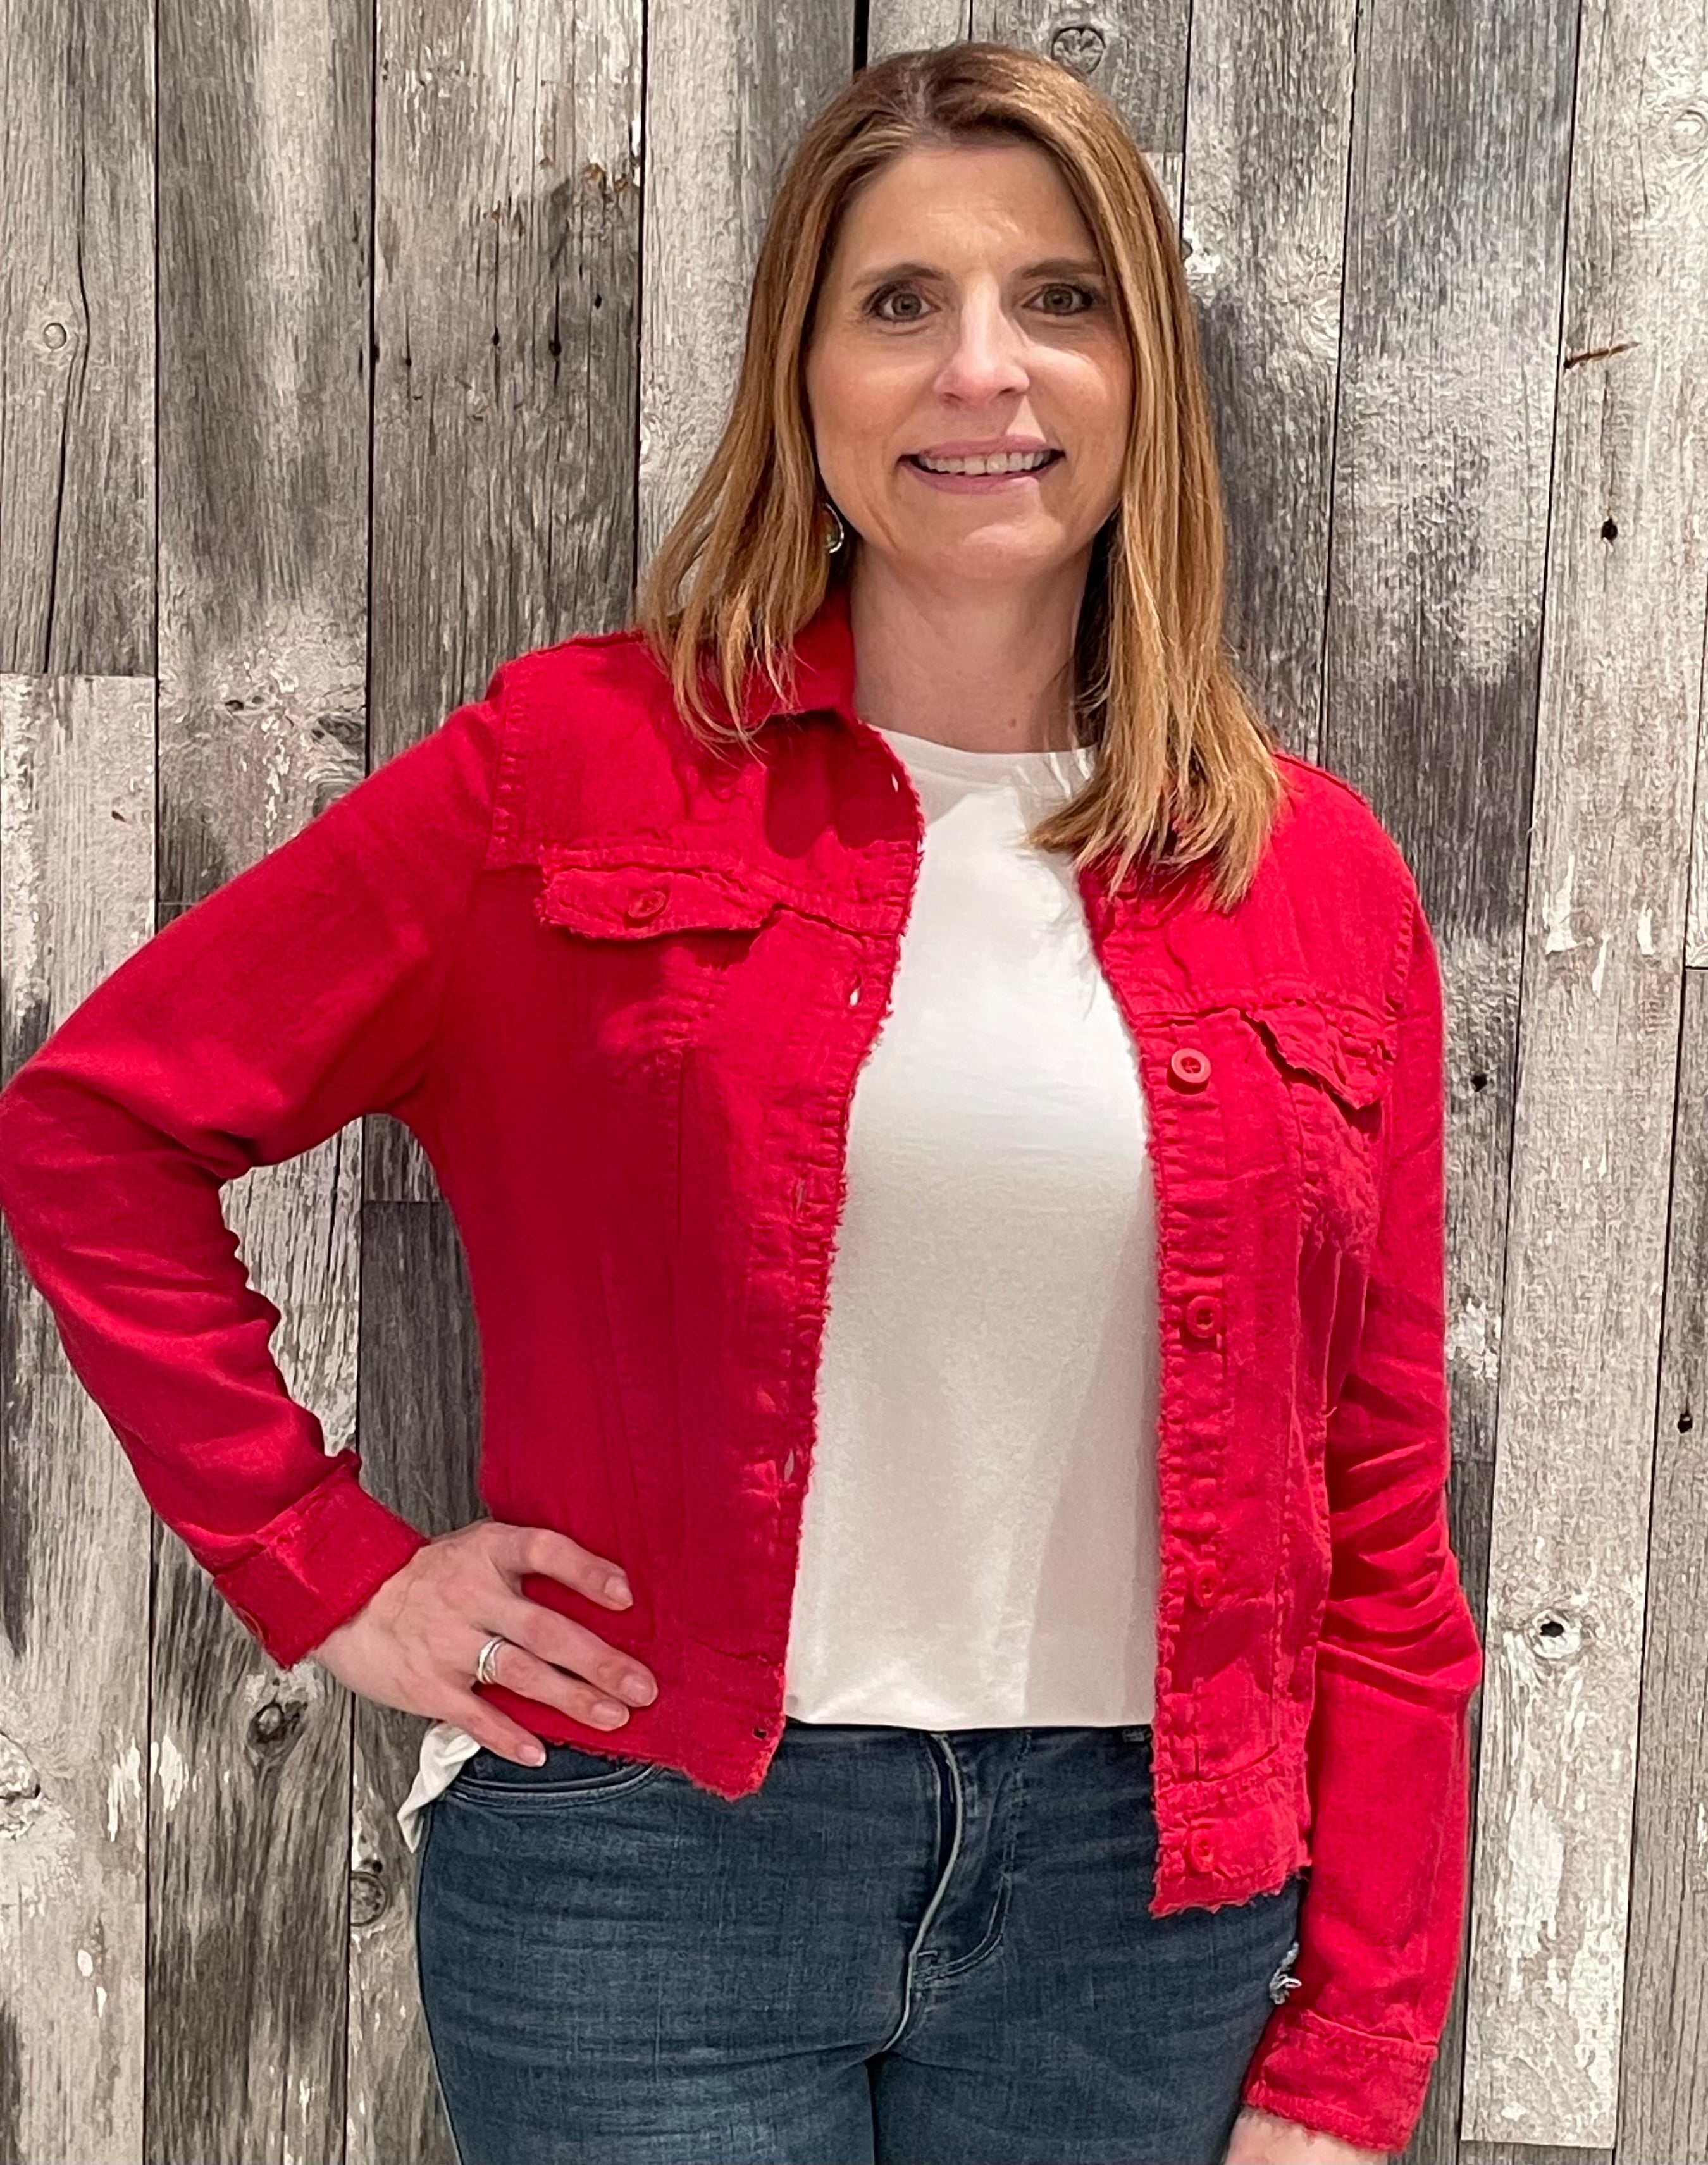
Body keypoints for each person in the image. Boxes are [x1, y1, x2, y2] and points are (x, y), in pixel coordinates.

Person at [0, 40, 1482, 2165]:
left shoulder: (1310, 876)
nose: (981, 370)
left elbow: (1381, 1519)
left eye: (1058, 299)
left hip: (1141, 1913)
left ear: (1143, 372)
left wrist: (1352, 2059)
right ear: (804, 373)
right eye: (901, 303)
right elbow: (96, 1127)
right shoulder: (569, 776)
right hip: (648, 1871)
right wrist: (323, 1563)